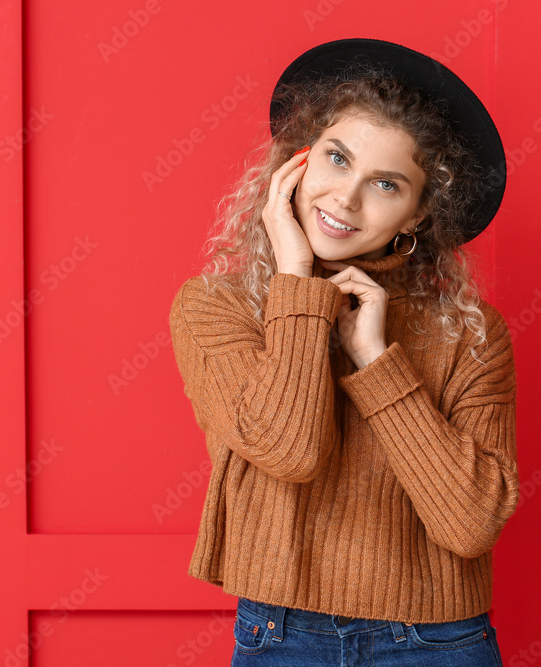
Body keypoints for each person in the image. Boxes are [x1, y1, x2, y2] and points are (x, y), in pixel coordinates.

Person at [168, 37, 516, 666]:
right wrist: (297, 285)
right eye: (336, 158)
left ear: (416, 214)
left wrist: (378, 362)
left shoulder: (469, 331)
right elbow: (290, 451)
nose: (346, 199)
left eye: (386, 183)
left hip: (437, 640)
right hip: (283, 634)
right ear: (295, 163)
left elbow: (471, 524)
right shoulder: (216, 308)